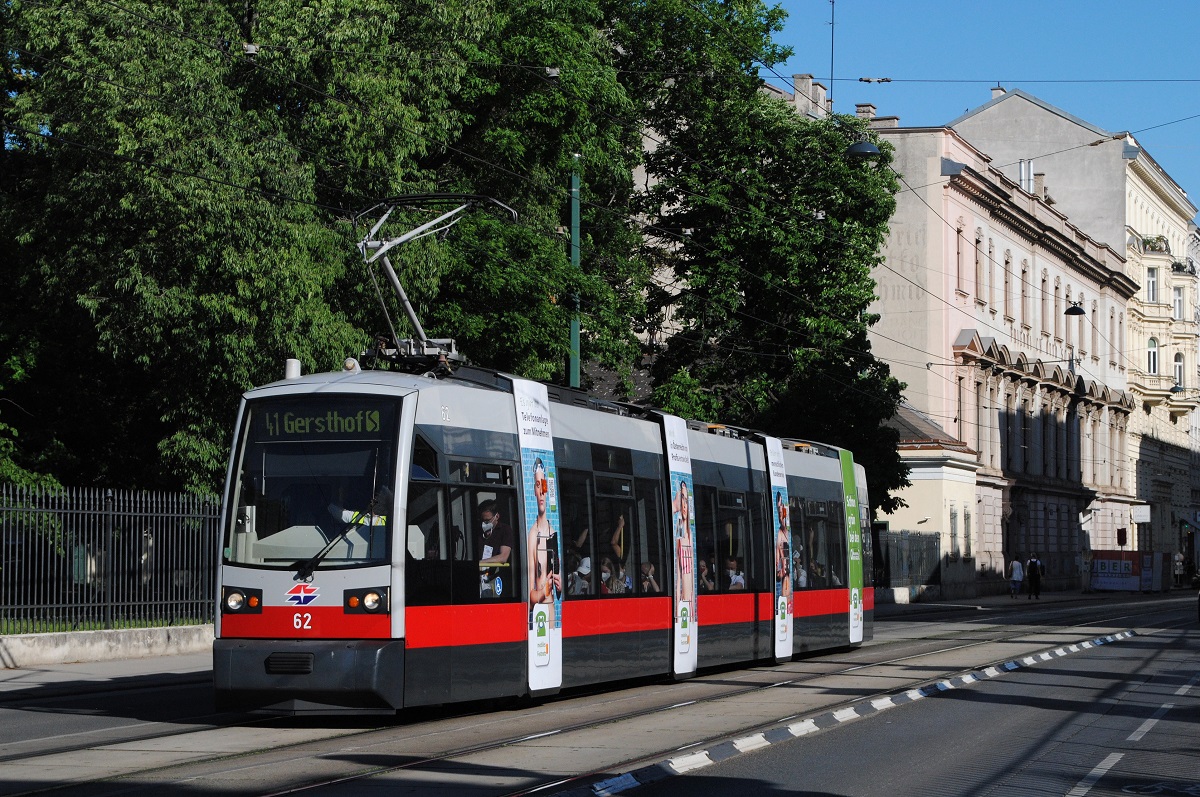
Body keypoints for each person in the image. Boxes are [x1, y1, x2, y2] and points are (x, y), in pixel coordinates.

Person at [527, 459, 562, 614]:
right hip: (540, 612)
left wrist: (559, 587)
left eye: (544, 485)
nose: (541, 491)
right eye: (537, 485)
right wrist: (543, 592)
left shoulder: (553, 532)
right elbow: (529, 598)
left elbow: (559, 590)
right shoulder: (533, 535)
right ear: (534, 490)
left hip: (552, 609)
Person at [477, 499, 513, 565]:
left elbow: (503, 557)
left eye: (487, 521)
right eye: (482, 520)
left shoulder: (505, 530)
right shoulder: (477, 530)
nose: (483, 524)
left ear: (496, 516)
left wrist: (480, 563)